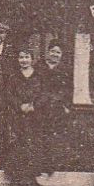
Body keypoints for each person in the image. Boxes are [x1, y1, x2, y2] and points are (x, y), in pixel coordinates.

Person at [3, 48, 48, 185]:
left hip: (35, 116)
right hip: (18, 116)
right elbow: (9, 94)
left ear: (32, 59)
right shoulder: (14, 77)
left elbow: (44, 94)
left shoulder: (39, 76)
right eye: (21, 57)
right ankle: (17, 176)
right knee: (19, 143)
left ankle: (32, 177)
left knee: (34, 143)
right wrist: (19, 106)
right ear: (18, 59)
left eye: (27, 57)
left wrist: (34, 105)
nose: (24, 60)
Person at [38, 42, 72, 175]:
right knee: (41, 134)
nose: (55, 55)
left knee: (56, 136)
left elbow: (69, 89)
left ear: (61, 55)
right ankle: (40, 165)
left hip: (58, 107)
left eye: (58, 52)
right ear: (48, 52)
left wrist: (66, 105)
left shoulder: (66, 70)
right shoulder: (39, 67)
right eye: (52, 51)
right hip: (41, 107)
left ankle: (54, 165)